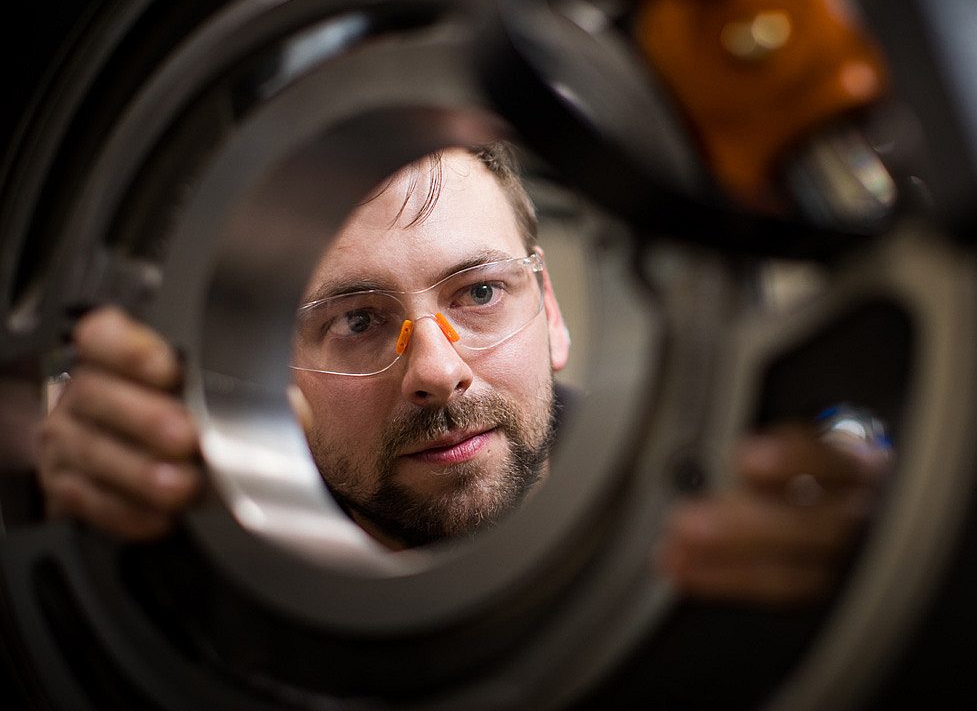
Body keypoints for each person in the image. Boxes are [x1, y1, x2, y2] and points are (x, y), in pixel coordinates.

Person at [36, 143, 891, 607]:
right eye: (358, 321)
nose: (437, 373)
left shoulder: (711, 495)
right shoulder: (209, 567)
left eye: (480, 292)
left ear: (548, 310)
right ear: (267, 360)